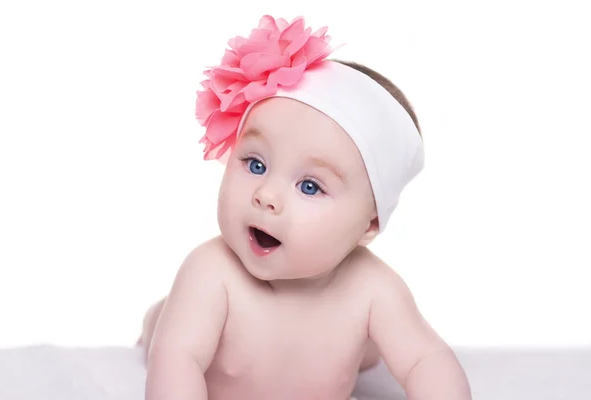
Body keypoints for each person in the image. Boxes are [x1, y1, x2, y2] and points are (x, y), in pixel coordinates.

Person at [141, 14, 471, 400]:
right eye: (256, 164)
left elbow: (425, 358)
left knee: (373, 348)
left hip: (342, 339)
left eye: (310, 186)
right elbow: (177, 358)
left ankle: (362, 351)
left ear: (369, 224)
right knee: (165, 329)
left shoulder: (373, 289)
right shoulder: (212, 272)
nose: (267, 195)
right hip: (180, 324)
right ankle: (154, 319)